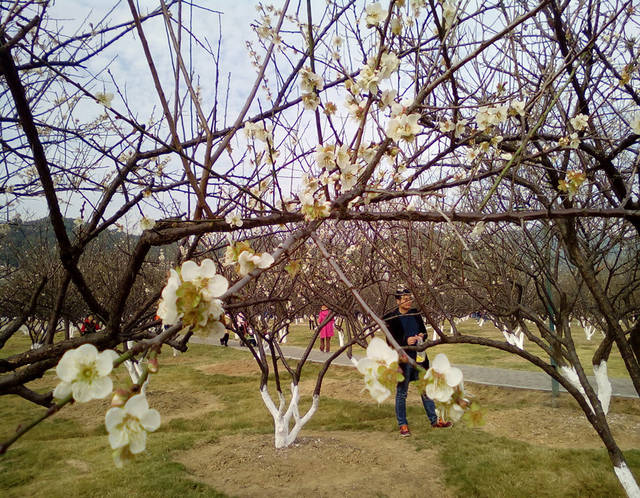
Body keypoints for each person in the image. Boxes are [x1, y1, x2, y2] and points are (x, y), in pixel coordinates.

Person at [383, 288, 451, 437]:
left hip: (419, 358)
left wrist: (422, 335)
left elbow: (424, 332)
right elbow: (389, 340)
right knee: (402, 393)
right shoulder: (391, 318)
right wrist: (405, 341)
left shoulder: (415, 314)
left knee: (425, 390)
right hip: (403, 360)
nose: (408, 302)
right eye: (405, 299)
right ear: (398, 301)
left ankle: (434, 420)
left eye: (410, 299)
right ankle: (403, 424)